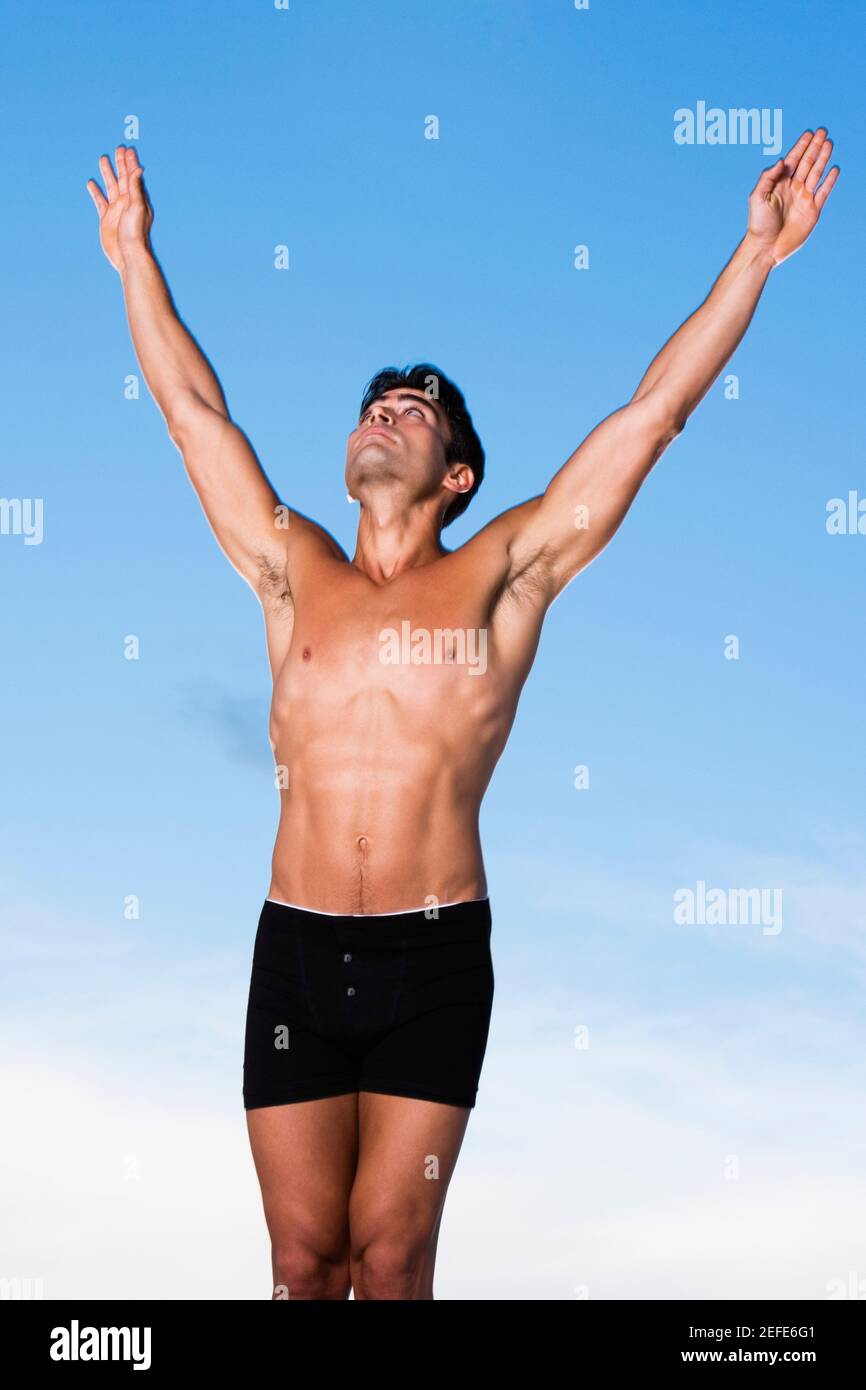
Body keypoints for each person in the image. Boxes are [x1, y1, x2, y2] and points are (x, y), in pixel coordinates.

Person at [86, 131, 839, 1299]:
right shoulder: (291, 569)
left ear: (457, 476)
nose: (383, 413)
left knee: (388, 1262)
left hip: (433, 956)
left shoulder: (504, 570)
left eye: (412, 410)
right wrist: (135, 258)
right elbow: (192, 416)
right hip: (294, 947)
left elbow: (649, 419)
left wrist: (755, 258)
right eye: (372, 405)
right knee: (301, 1263)